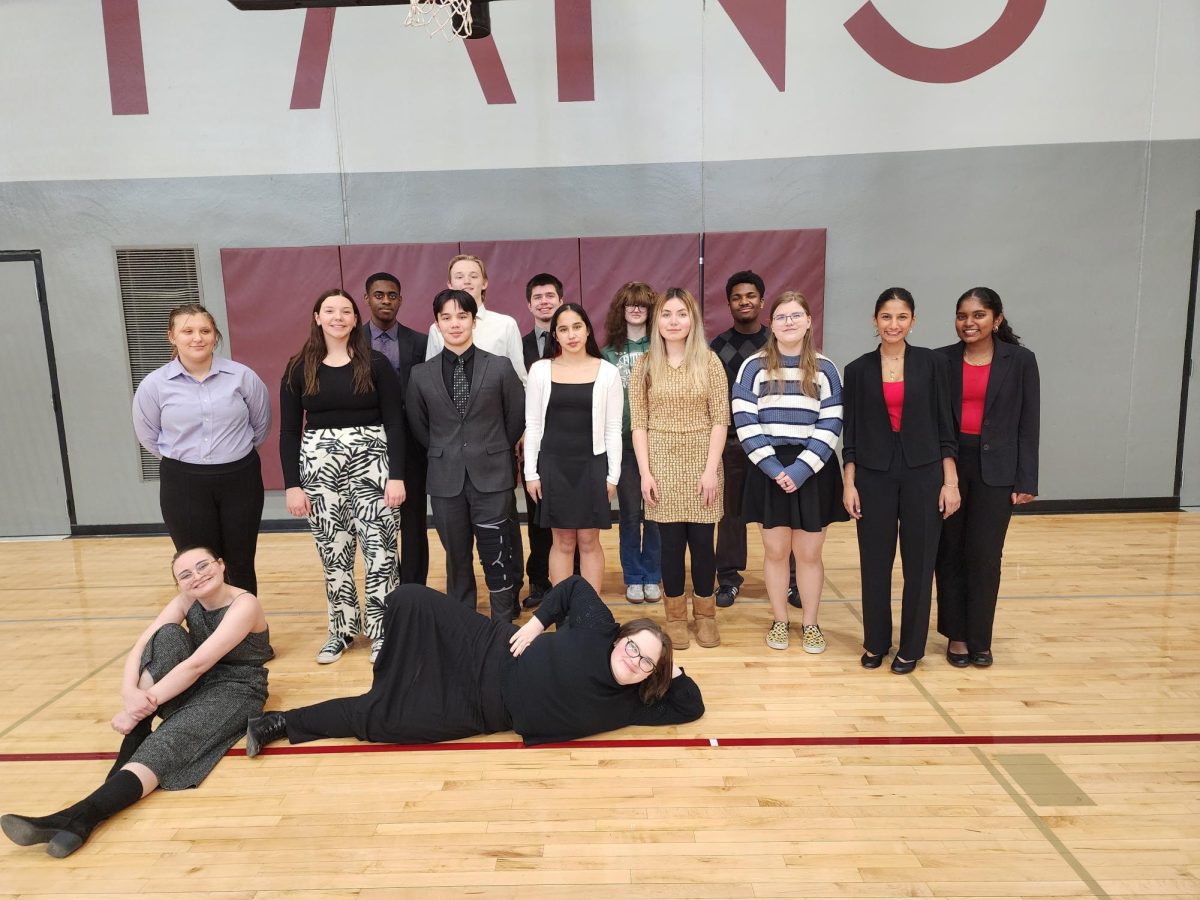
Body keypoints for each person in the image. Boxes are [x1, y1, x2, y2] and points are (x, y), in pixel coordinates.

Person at [1, 547, 272, 859]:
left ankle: (80, 819)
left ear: (221, 565)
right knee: (168, 636)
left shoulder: (245, 603)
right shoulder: (188, 598)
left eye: (203, 566)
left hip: (235, 690)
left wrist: (144, 702)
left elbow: (198, 663)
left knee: (169, 743)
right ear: (178, 583)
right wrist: (129, 693)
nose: (197, 576)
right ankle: (137, 734)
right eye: (185, 574)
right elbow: (144, 642)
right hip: (189, 683)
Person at [243, 575, 702, 753]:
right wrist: (538, 623)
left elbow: (692, 705)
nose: (634, 659)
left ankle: (279, 724)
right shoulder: (600, 629)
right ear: (621, 637)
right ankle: (393, 669)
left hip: (478, 709)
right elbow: (575, 588)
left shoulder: (635, 702)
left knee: (381, 722)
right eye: (633, 647)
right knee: (409, 600)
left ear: (651, 675)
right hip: (488, 644)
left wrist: (669, 668)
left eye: (645, 662)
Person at [280, 289, 406, 665]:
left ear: (355, 318)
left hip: (373, 467)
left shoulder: (377, 363)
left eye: (346, 311)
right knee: (334, 553)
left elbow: (396, 423)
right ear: (317, 316)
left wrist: (396, 476)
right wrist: (292, 484)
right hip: (319, 473)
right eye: (330, 310)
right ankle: (342, 630)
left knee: (380, 553)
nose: (338, 317)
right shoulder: (297, 367)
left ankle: (384, 632)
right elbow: (289, 432)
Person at [842, 287, 960, 675]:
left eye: (902, 317)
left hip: (923, 473)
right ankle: (876, 642)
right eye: (886, 317)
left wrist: (950, 481)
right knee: (874, 564)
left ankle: (911, 648)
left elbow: (947, 426)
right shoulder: (857, 369)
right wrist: (849, 483)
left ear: (913, 321)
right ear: (875, 321)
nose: (894, 324)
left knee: (919, 564)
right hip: (873, 476)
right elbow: (852, 435)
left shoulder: (933, 364)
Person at [734, 292, 849, 652]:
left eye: (796, 315)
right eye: (782, 316)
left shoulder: (825, 367)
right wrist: (772, 467)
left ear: (809, 321)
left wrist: (801, 469)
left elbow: (832, 421)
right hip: (768, 466)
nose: (789, 322)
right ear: (772, 323)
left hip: (813, 468)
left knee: (810, 554)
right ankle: (780, 620)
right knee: (776, 551)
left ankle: (811, 623)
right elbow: (744, 418)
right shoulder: (752, 366)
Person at [132, 303, 271, 594]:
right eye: (188, 331)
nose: (197, 338)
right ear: (172, 336)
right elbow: (148, 435)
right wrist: (188, 462)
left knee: (240, 561)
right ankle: (207, 635)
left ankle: (248, 634)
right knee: (197, 563)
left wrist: (229, 455)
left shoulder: (242, 377)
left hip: (240, 478)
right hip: (183, 482)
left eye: (205, 331)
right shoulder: (154, 385)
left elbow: (261, 425)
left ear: (215, 335)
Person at [935, 287, 1040, 668]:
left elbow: (1029, 422)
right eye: (963, 316)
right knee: (949, 553)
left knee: (984, 556)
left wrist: (1026, 478)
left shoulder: (1021, 361)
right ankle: (956, 636)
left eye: (978, 315)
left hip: (997, 472)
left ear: (996, 319)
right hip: (948, 467)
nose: (969, 323)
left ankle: (980, 637)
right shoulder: (940, 360)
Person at [407, 289, 526, 621]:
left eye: (462, 316)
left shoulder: (500, 367)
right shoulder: (421, 375)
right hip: (446, 480)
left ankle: (503, 623)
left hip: (493, 475)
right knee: (456, 557)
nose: (454, 324)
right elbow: (419, 426)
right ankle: (462, 622)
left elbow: (515, 417)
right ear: (437, 324)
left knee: (497, 553)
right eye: (446, 317)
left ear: (474, 321)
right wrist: (447, 450)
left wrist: (491, 446)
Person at [630, 287, 730, 649]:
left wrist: (710, 469)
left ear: (693, 320)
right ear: (657, 321)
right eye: (667, 314)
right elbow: (638, 422)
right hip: (661, 461)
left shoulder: (710, 361)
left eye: (681, 314)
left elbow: (721, 419)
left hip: (702, 460)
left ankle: (705, 616)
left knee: (703, 544)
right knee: (669, 546)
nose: (674, 321)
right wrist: (645, 472)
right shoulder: (644, 365)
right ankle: (674, 617)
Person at [525, 303, 623, 594]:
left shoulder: (607, 372)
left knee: (589, 541)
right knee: (562, 541)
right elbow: (532, 424)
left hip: (592, 466)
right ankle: (564, 611)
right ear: (555, 334)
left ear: (588, 329)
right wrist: (531, 472)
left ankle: (589, 614)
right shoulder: (540, 370)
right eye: (563, 329)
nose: (571, 335)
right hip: (553, 466)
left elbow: (613, 428)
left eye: (577, 327)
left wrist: (613, 476)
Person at [364, 271, 431, 586]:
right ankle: (387, 587)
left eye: (392, 295)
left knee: (414, 520)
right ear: (367, 299)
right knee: (377, 522)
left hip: (412, 444)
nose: (386, 301)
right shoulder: (353, 342)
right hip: (368, 444)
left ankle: (414, 588)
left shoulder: (420, 342)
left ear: (400, 300)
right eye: (379, 295)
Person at [601, 282, 662, 604]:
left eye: (642, 305)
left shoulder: (663, 348)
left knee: (654, 511)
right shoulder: (609, 353)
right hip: (623, 445)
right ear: (620, 310)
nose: (636, 310)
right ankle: (633, 576)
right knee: (628, 514)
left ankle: (653, 574)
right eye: (630, 305)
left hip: (658, 442)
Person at [519, 273, 565, 607]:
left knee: (568, 517)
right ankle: (538, 581)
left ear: (560, 300)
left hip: (569, 442)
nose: (544, 301)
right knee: (537, 515)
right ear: (529, 304)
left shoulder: (573, 341)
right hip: (531, 441)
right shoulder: (516, 346)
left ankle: (571, 579)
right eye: (538, 297)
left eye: (550, 296)